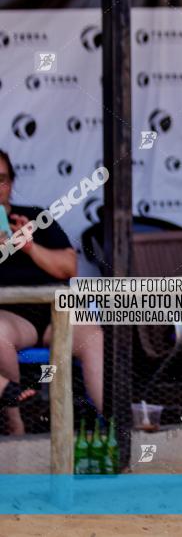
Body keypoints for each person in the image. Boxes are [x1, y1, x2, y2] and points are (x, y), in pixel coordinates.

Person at [0, 150, 103, 434]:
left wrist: (29, 247)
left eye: (2, 179)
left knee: (93, 337)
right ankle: (17, 429)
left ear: (11, 183)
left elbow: (69, 268)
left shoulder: (36, 216)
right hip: (12, 318)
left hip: (57, 311)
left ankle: (117, 429)